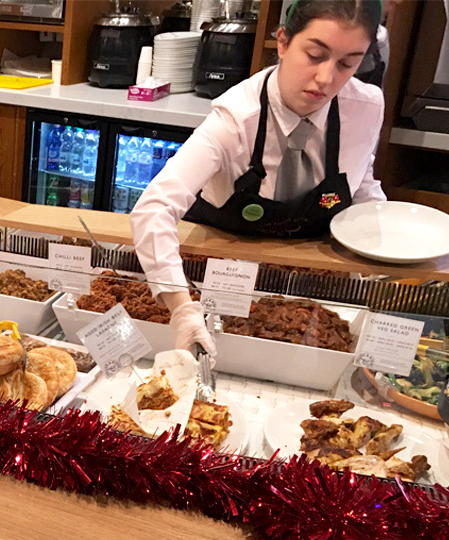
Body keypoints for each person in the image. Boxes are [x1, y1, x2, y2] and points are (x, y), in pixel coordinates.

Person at [129, 0, 386, 359]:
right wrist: (183, 309)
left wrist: (382, 241)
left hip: (311, 299)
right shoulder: (236, 117)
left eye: (348, 64)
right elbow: (153, 209)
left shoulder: (367, 108)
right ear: (282, 42)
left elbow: (361, 183)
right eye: (315, 55)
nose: (327, 79)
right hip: (218, 284)